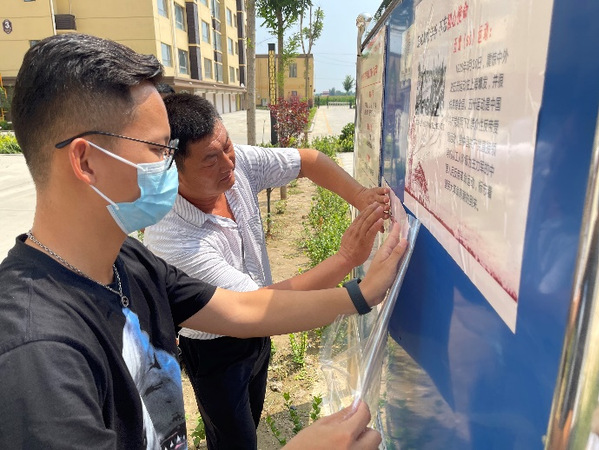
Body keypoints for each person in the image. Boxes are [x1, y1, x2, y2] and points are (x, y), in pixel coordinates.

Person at [0, 33, 407, 449]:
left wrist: (363, 293)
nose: (168, 166)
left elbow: (244, 309)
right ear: (86, 161)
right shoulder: (35, 351)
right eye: (158, 149)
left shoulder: (129, 262)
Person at [144, 92, 391, 449]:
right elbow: (257, 308)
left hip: (258, 332)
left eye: (227, 146)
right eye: (210, 160)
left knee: (253, 412)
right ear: (172, 168)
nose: (228, 163)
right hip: (217, 348)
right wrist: (347, 262)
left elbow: (308, 160)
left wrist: (360, 196)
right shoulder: (174, 240)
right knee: (234, 441)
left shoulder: (236, 163)